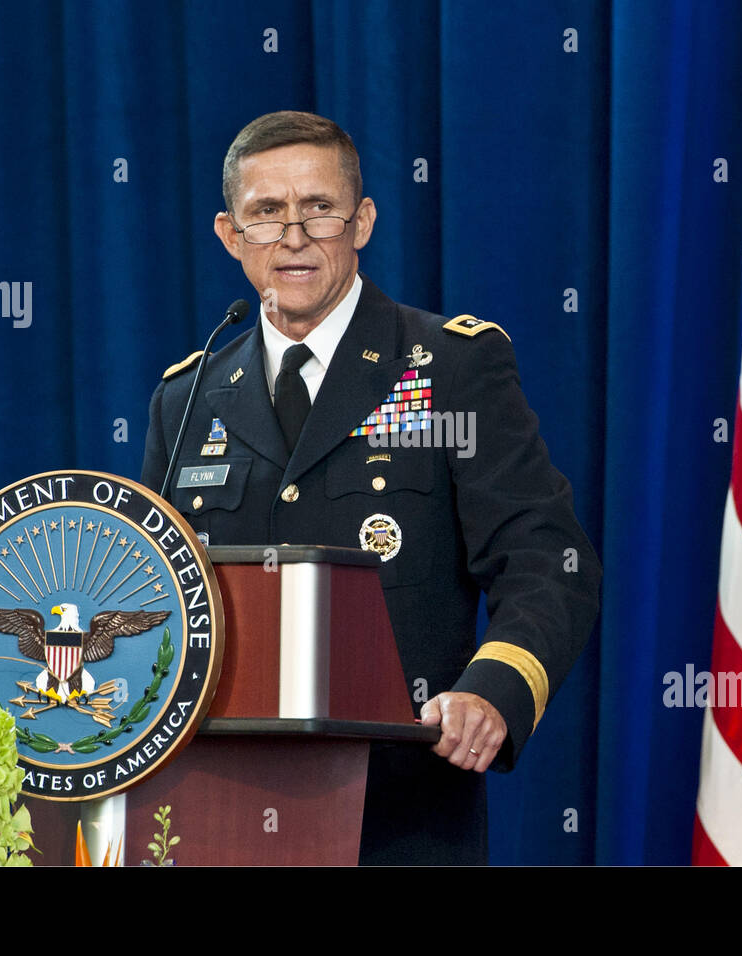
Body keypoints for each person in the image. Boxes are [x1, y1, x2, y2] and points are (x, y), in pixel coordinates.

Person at [141, 111, 601, 864]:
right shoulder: (186, 397)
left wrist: (493, 688)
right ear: (231, 235)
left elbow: (547, 562)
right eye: (266, 213)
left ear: (361, 222)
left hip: (399, 820)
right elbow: (150, 593)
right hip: (213, 816)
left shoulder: (449, 368)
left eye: (318, 208)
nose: (293, 236)